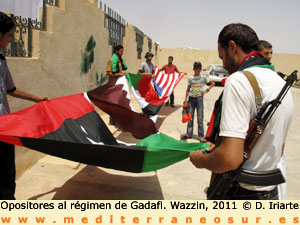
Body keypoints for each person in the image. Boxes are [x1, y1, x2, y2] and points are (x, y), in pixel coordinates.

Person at [189, 23, 294, 200]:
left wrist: (200, 159)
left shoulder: (239, 81)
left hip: (240, 193)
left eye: (222, 57)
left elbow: (229, 159)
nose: (223, 64)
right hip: (271, 193)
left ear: (232, 47)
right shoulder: (281, 83)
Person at [0, 12, 49, 200]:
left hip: (5, 127)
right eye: (9, 35)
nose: (11, 39)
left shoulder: (2, 61)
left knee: (7, 174)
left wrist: (36, 98)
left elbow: (10, 89)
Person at [182, 61, 214, 142]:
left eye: (199, 68)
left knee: (200, 118)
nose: (198, 69)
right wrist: (186, 101)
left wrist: (206, 91)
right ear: (193, 69)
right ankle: (189, 134)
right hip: (191, 99)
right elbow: (187, 90)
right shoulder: (190, 78)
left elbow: (212, 83)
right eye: (196, 68)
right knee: (190, 118)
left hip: (199, 99)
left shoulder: (203, 77)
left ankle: (201, 136)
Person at [106, 44, 127, 128]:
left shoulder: (119, 60)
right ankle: (116, 123)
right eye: (121, 51)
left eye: (123, 51)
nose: (122, 53)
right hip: (113, 85)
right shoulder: (112, 60)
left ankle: (114, 121)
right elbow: (108, 73)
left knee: (117, 104)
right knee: (116, 104)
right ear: (116, 51)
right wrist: (120, 74)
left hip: (118, 85)